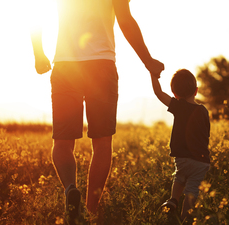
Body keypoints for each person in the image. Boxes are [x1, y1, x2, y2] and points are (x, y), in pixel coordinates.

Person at [30, 0, 164, 223]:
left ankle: (71, 190)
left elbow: (37, 14)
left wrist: (38, 54)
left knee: (62, 143)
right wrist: (148, 61)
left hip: (66, 66)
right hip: (101, 65)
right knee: (102, 143)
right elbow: (125, 21)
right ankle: (91, 210)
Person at [150, 69, 211, 221]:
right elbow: (206, 134)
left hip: (182, 158)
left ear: (174, 93)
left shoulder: (178, 106)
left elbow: (158, 93)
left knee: (180, 177)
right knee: (191, 191)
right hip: (201, 161)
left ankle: (173, 199)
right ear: (196, 91)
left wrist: (153, 73)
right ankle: (185, 219)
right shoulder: (203, 110)